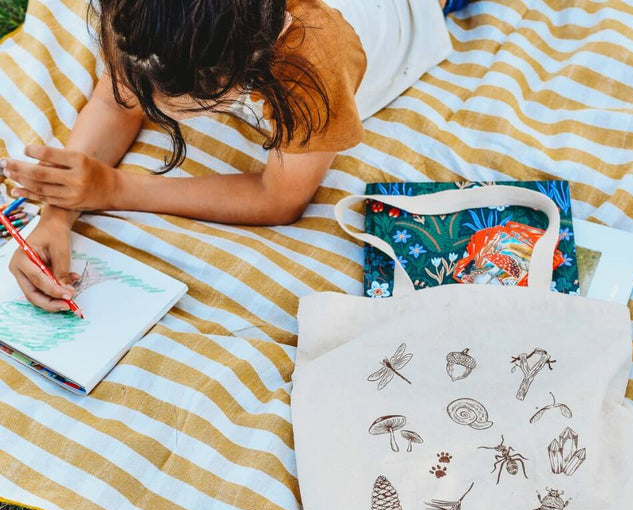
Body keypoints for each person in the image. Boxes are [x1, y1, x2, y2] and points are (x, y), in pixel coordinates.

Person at [2, 0, 470, 312]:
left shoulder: (313, 59)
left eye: (174, 109)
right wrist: (56, 215)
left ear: (252, 63)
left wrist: (115, 187)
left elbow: (278, 198)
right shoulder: (146, 19)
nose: (145, 109)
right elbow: (115, 101)